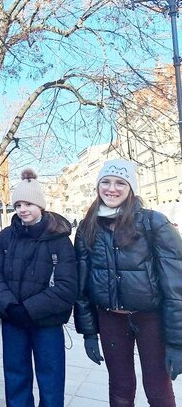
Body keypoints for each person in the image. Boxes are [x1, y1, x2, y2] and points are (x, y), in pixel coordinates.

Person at [74, 159, 182, 407]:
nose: (111, 189)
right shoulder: (88, 226)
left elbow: (175, 285)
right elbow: (82, 284)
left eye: (120, 183)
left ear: (131, 187)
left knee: (158, 389)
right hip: (111, 318)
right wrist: (88, 331)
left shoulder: (154, 223)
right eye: (106, 182)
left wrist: (177, 341)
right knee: (120, 388)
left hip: (150, 319)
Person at [0, 169, 77, 407]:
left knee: (51, 379)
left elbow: (66, 287)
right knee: (16, 376)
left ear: (40, 206)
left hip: (47, 322)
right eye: (18, 205)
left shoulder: (59, 239)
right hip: (13, 319)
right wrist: (10, 306)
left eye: (28, 204)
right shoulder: (4, 238)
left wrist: (29, 309)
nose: (22, 209)